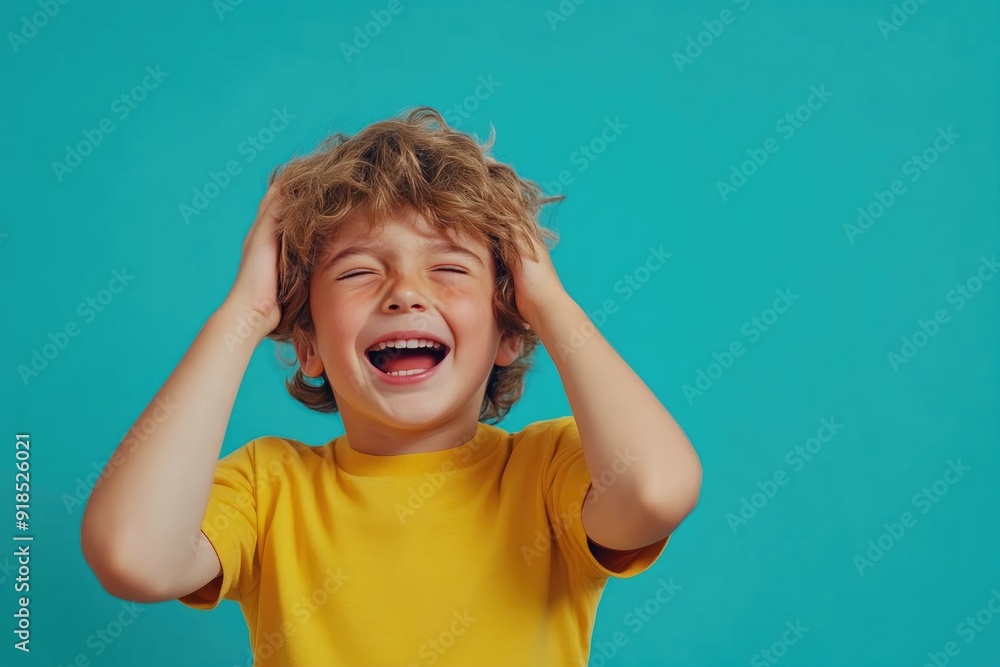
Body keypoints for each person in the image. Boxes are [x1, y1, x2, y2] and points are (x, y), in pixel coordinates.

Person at [80, 106, 703, 666]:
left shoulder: (548, 472)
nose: (405, 293)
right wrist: (243, 314)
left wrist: (549, 302)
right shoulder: (268, 489)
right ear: (309, 346)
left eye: (449, 267)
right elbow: (134, 557)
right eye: (357, 272)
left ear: (510, 330)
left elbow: (654, 494)